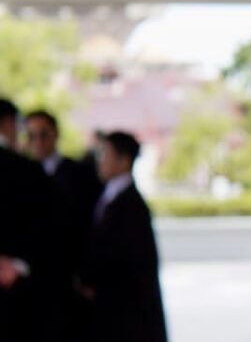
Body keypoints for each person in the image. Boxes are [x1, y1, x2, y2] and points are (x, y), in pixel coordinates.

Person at [80, 131, 167, 342]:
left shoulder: (131, 206)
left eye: (105, 154)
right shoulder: (108, 196)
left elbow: (128, 261)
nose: (100, 160)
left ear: (124, 160)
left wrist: (93, 282)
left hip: (125, 314)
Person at [25, 110, 104, 339]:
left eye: (43, 134)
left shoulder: (79, 174)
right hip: (32, 282)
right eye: (31, 136)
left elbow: (90, 227)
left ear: (55, 135)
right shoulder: (21, 175)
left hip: (70, 279)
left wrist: (86, 274)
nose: (38, 142)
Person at [0, 99, 67, 342]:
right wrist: (15, 264)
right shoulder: (28, 170)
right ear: (8, 124)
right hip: (21, 287)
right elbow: (48, 227)